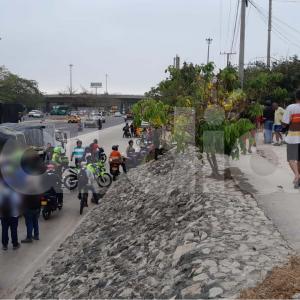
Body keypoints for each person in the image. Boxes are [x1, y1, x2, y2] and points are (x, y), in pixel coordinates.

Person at [282, 89, 300, 189]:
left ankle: (297, 175)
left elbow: (285, 122)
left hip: (293, 138)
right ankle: (298, 178)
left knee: (291, 159)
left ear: (296, 97)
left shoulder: (291, 107)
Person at [0, 175, 21, 250]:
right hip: (13, 214)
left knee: (4, 230)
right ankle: (15, 244)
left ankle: (4, 245)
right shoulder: (14, 192)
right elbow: (18, 202)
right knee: (14, 230)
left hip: (3, 215)